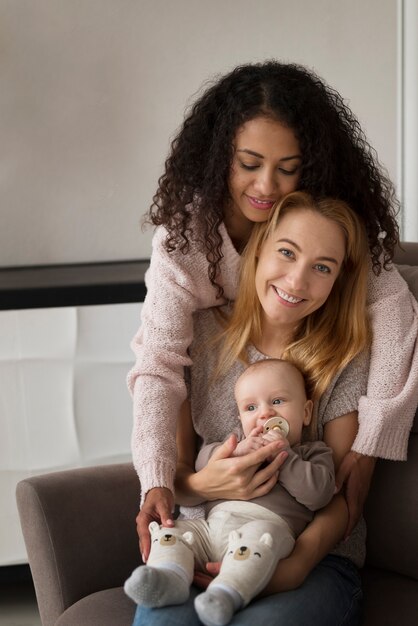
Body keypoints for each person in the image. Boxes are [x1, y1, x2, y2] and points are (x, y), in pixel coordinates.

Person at [128, 61, 418, 562]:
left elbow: (393, 308)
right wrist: (161, 480)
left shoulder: (318, 226)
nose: (266, 186)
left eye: (288, 169)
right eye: (249, 163)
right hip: (211, 519)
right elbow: (158, 364)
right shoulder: (187, 243)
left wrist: (372, 444)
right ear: (220, 156)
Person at [131, 191, 371, 625]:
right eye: (286, 252)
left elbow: (338, 494)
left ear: (338, 279)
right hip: (205, 539)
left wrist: (295, 565)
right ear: (257, 251)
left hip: (310, 555)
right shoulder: (200, 335)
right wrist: (209, 481)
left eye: (322, 267)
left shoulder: (345, 355)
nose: (297, 282)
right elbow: (180, 479)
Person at [125, 359, 335, 626]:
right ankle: (169, 576)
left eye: (278, 402)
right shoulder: (234, 444)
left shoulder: (311, 453)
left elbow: (320, 494)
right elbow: (203, 463)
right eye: (251, 407)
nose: (264, 414)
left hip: (265, 529)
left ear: (306, 413)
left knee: (261, 541)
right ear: (240, 418)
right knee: (172, 530)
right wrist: (234, 454)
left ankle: (226, 594)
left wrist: (285, 455)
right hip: (210, 530)